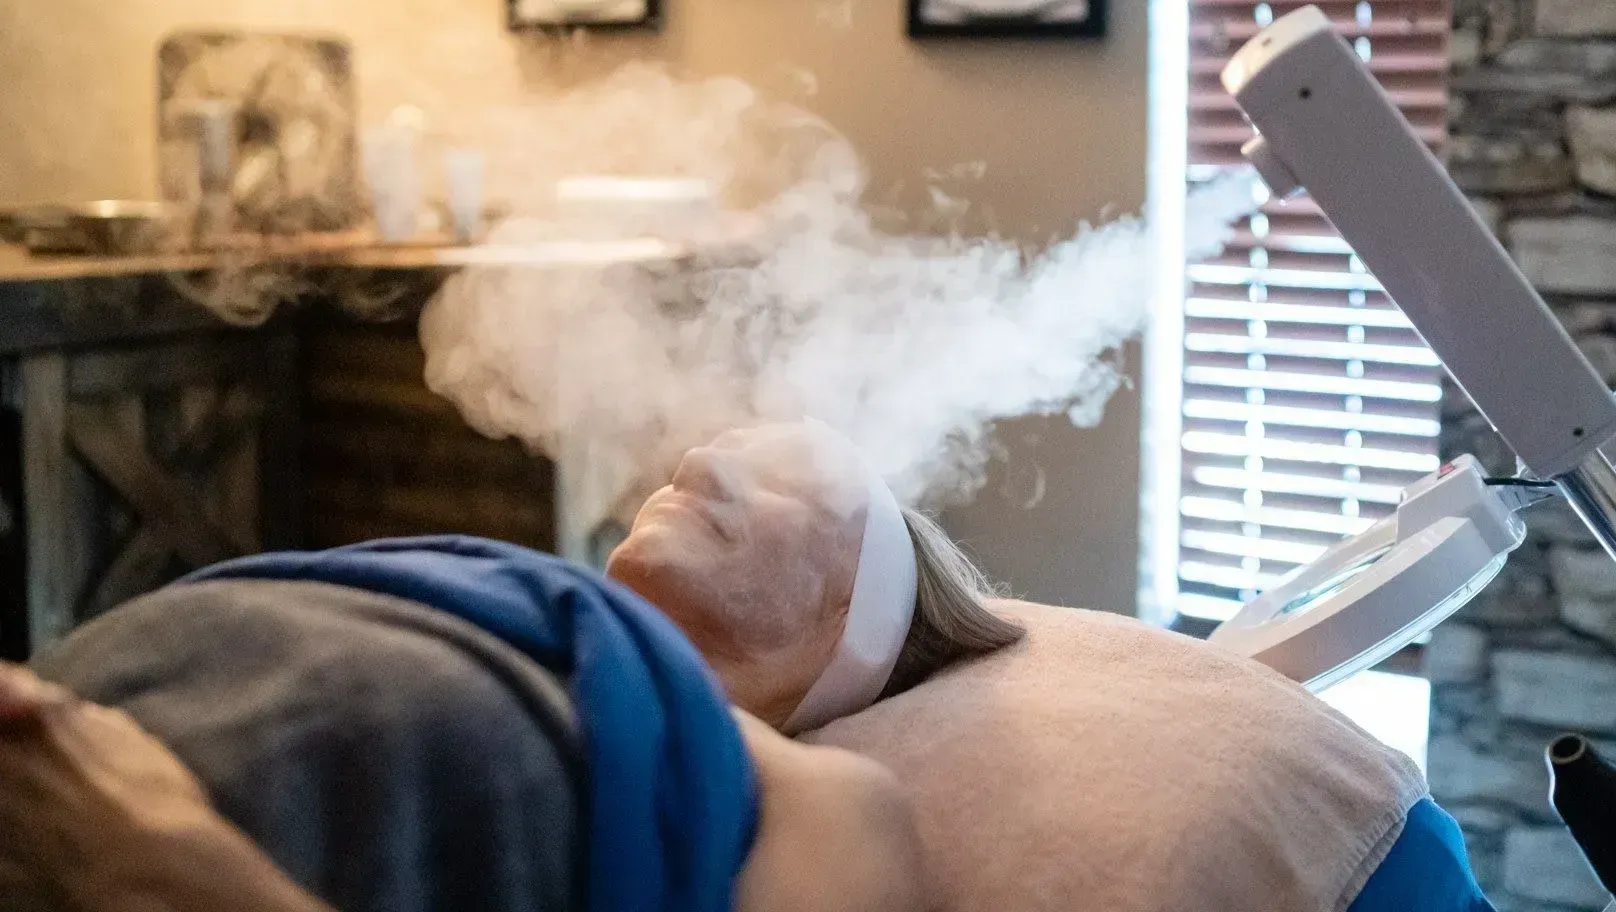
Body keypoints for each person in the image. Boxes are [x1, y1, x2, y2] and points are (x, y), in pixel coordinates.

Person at [0, 421, 1023, 912]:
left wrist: (169, 864)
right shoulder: (497, 600)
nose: (701, 464)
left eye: (790, 479)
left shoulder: (832, 799)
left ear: (856, 614)